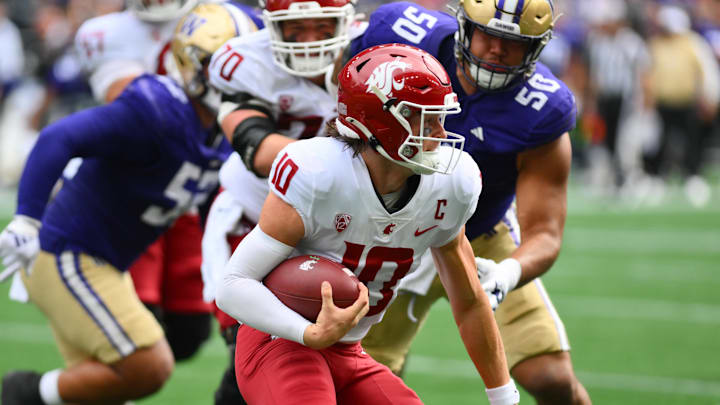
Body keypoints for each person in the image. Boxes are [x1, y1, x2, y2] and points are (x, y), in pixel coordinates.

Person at [216, 42, 519, 405]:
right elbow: (233, 285)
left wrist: (503, 396)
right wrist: (307, 331)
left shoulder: (451, 186)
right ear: (379, 122)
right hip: (280, 342)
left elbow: (469, 302)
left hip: (349, 351)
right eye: (425, 119)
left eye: (440, 118)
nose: (439, 134)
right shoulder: (318, 174)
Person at [0, 4, 251, 404]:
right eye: (225, 65)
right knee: (148, 365)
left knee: (104, 388)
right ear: (192, 65)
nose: (237, 78)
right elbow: (56, 138)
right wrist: (27, 219)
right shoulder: (157, 108)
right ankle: (23, 394)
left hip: (103, 261)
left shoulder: (222, 133)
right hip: (67, 250)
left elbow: (212, 215)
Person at [349, 1, 592, 404]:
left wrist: (507, 273)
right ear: (464, 27)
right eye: (490, 36)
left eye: (513, 43)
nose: (497, 50)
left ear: (536, 49)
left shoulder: (541, 109)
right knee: (360, 378)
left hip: (479, 236)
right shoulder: (403, 37)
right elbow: (342, 100)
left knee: (551, 377)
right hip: (388, 232)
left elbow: (546, 233)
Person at [73, 0, 261, 362]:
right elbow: (139, 110)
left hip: (195, 186)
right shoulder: (107, 33)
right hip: (137, 187)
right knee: (132, 328)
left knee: (189, 331)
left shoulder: (233, 17)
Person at [202, 0, 360, 402]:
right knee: (255, 347)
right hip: (254, 215)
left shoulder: (371, 49)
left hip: (336, 223)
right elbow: (256, 149)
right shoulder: (241, 60)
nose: (309, 40)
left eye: (321, 26)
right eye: (296, 28)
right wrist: (354, 165)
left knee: (351, 344)